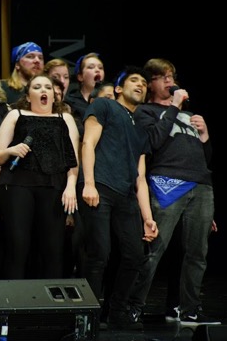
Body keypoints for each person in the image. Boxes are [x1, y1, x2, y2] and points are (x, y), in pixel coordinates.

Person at [127, 58, 221, 327]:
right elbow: (153, 142)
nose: (170, 81)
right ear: (151, 83)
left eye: (172, 76)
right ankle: (133, 306)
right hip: (166, 182)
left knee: (197, 252)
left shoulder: (188, 115)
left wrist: (204, 137)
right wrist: (174, 107)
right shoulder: (145, 112)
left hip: (200, 185)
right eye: (163, 77)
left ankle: (188, 310)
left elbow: (205, 158)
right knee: (154, 248)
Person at [78, 66, 158, 331]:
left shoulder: (142, 128)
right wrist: (88, 183)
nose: (141, 85)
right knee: (99, 253)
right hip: (100, 185)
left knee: (136, 256)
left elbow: (140, 177)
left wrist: (147, 218)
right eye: (134, 80)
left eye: (144, 82)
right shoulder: (104, 105)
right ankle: (88, 314)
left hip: (125, 196)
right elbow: (88, 143)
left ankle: (117, 312)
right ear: (119, 89)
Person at [0, 74, 80, 279]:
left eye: (48, 88)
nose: (43, 91)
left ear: (54, 95)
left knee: (53, 248)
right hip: (18, 185)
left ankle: (50, 305)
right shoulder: (15, 115)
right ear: (28, 94)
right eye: (37, 87)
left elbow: (72, 160)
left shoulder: (65, 119)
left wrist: (71, 187)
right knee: (18, 245)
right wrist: (12, 150)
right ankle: (13, 302)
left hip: (53, 186)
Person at [64, 52, 105, 125]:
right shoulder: (70, 102)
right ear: (80, 76)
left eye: (100, 68)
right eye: (91, 67)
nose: (97, 70)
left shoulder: (110, 101)